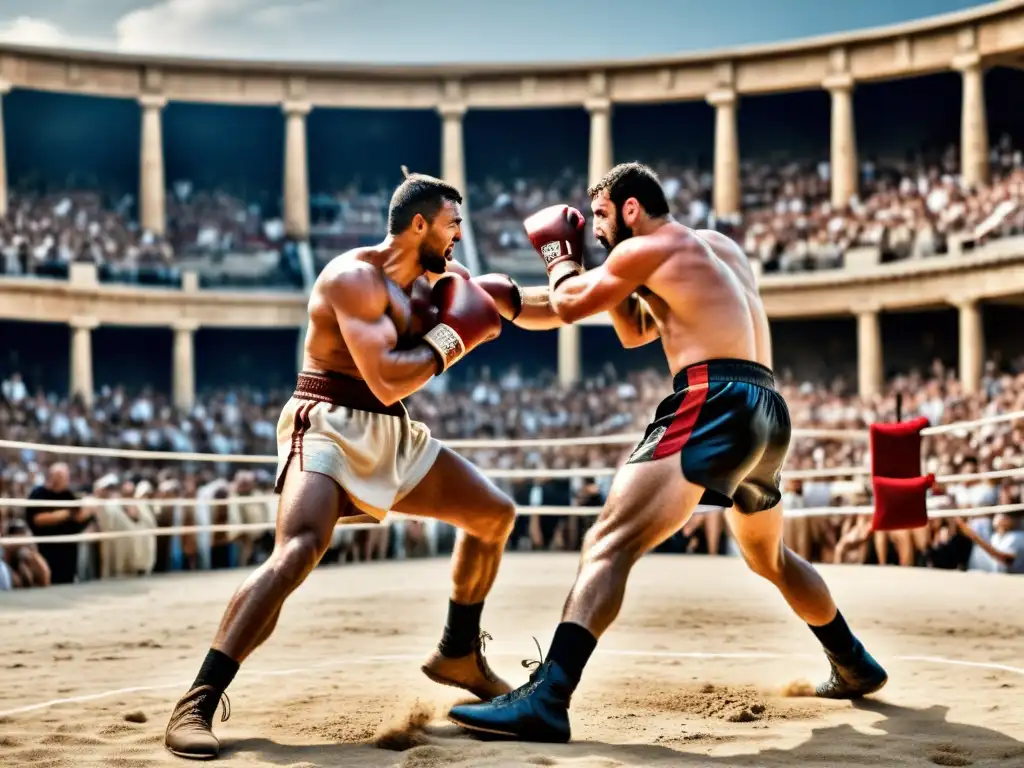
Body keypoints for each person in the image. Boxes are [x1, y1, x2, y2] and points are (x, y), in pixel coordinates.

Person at [448, 162, 888, 743]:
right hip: (766, 407)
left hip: (712, 397)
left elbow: (573, 302)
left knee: (608, 541)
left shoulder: (649, 247)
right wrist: (498, 299)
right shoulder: (712, 248)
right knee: (769, 558)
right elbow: (630, 328)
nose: (597, 232)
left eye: (601, 216)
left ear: (631, 208)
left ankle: (548, 697)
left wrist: (558, 258)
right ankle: (853, 660)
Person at [164, 171, 564, 760]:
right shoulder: (352, 280)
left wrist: (585, 278)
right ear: (419, 224)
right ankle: (197, 700)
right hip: (328, 418)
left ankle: (458, 652)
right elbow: (382, 380)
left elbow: (528, 306)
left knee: (494, 515)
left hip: (392, 431)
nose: (460, 237)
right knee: (298, 549)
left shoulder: (443, 282)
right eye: (453, 224)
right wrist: (455, 338)